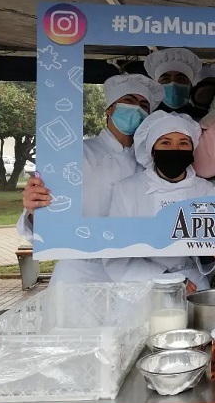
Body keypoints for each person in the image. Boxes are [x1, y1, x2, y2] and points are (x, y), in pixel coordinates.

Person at [18, 74, 163, 283]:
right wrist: (34, 208)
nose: (136, 109)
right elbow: (42, 224)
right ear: (110, 109)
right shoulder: (74, 155)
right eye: (129, 101)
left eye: (143, 105)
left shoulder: (150, 162)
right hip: (79, 270)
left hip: (136, 271)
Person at [107, 111, 215, 287]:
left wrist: (214, 254)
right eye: (165, 143)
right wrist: (166, 279)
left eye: (183, 143)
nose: (175, 149)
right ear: (152, 150)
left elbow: (210, 251)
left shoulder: (206, 191)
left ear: (192, 150)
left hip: (193, 286)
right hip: (143, 288)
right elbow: (115, 255)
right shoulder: (127, 190)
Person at [144, 47, 204, 119]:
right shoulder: (146, 116)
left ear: (190, 85)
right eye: (165, 79)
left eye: (180, 79)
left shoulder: (202, 119)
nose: (173, 83)